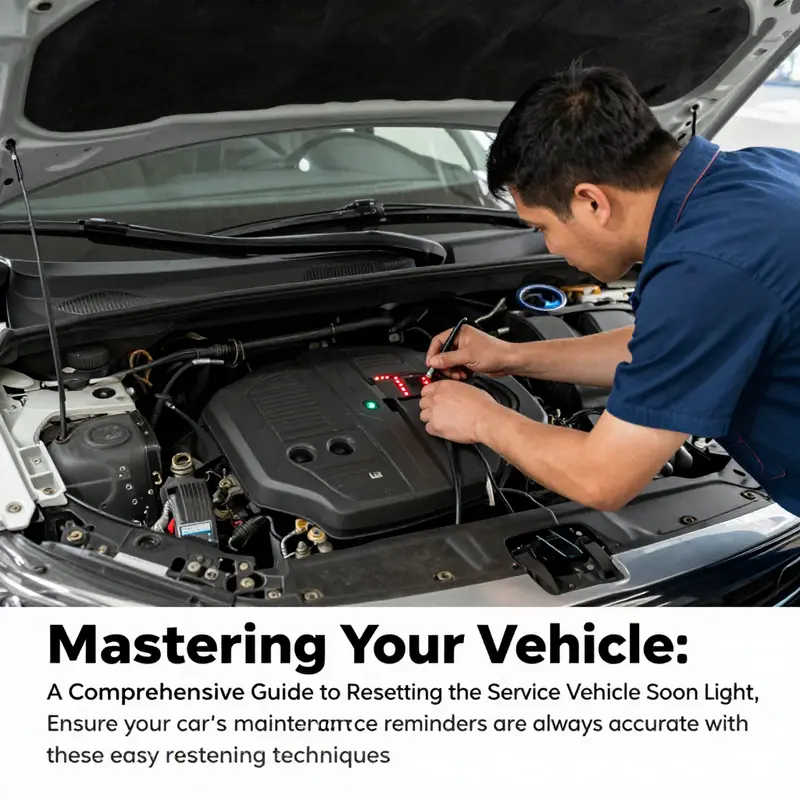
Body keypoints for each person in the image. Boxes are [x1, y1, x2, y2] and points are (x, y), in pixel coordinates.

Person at [419, 64, 800, 515]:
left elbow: (602, 478)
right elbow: (664, 349)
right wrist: (511, 357)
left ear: (592, 202)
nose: (551, 247)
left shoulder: (707, 268)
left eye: (542, 226)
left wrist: (482, 418)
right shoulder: (764, 172)